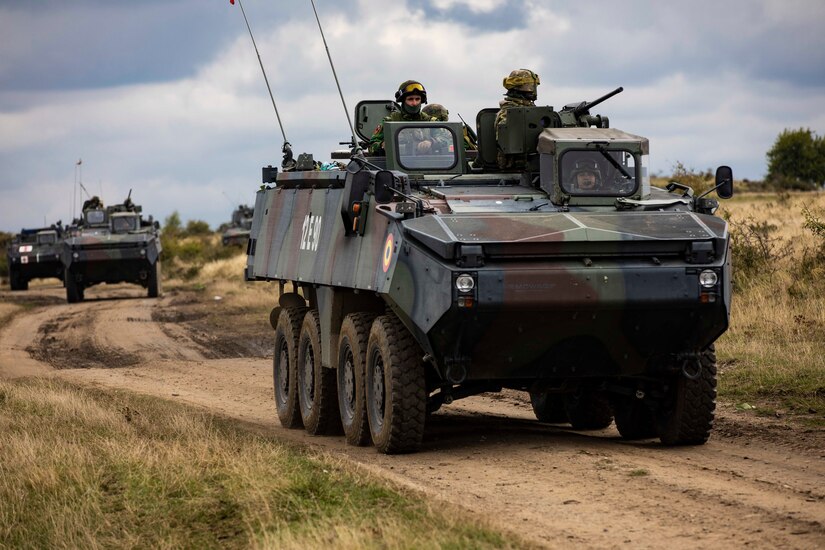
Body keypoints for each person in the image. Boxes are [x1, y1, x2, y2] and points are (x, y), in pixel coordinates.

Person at [368, 80, 438, 154]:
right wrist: (382, 146)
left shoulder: (430, 122)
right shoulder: (390, 122)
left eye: (417, 99)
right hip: (396, 164)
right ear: (403, 101)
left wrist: (431, 142)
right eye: (410, 99)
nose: (414, 103)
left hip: (427, 163)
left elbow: (447, 139)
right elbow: (371, 147)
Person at [495, 68, 540, 169]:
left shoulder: (529, 110)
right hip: (517, 165)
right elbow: (508, 140)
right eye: (531, 85)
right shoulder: (509, 112)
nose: (534, 89)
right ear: (519, 87)